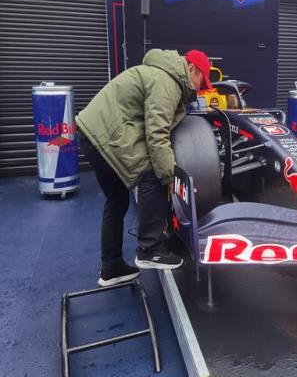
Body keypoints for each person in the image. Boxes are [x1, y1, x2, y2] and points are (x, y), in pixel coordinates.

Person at [76, 49, 212, 286]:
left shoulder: (164, 74)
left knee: (117, 200)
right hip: (105, 134)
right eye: (202, 80)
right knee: (154, 173)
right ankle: (150, 250)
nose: (201, 88)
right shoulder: (167, 82)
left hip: (94, 132)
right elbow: (157, 134)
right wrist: (169, 176)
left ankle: (111, 268)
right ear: (191, 69)